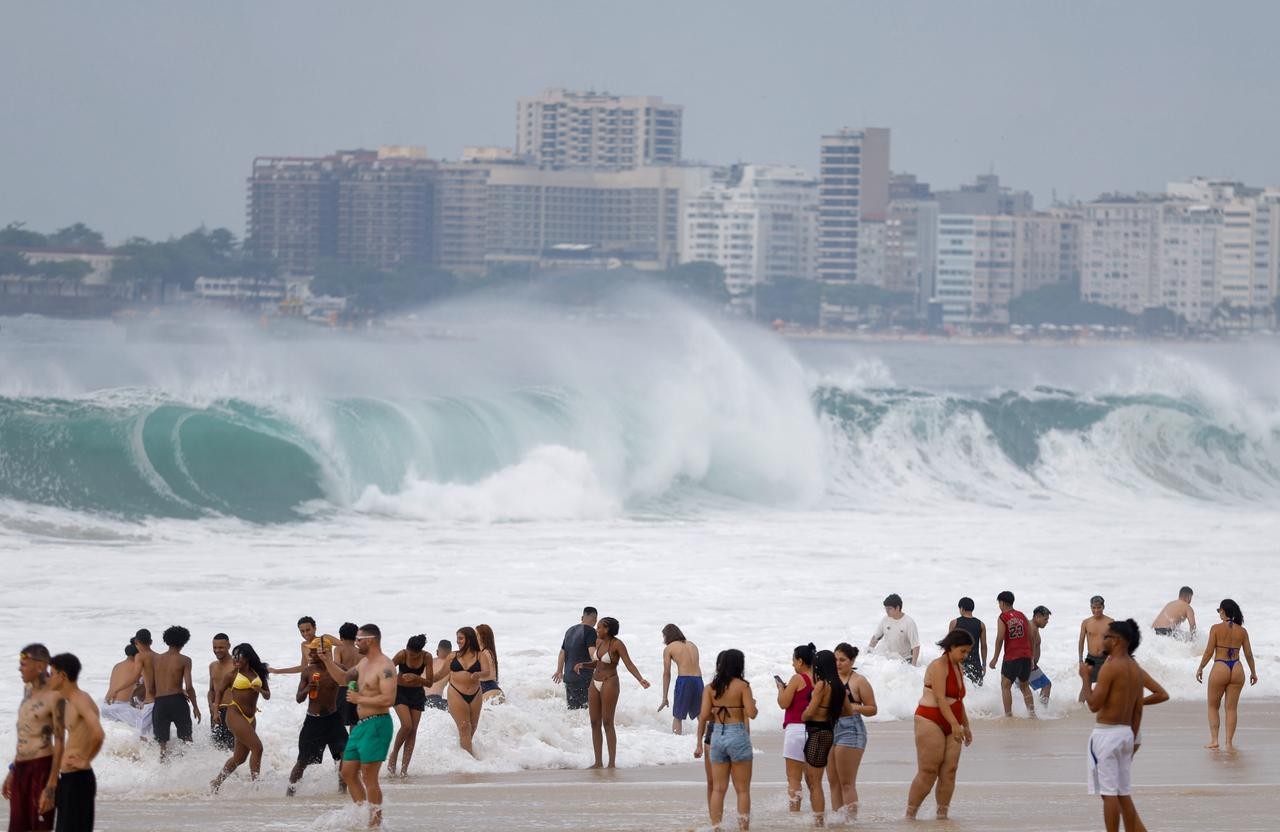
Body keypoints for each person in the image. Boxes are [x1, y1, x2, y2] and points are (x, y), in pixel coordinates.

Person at [321, 623, 396, 828]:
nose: (356, 643)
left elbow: (389, 699)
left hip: (378, 724)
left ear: (370, 640)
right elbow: (342, 679)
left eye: (359, 639)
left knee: (369, 775)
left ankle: (375, 823)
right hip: (361, 725)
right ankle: (363, 812)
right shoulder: (363, 664)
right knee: (347, 771)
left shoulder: (385, 666)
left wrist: (359, 698)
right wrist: (327, 661)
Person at [1079, 619, 1146, 832]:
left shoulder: (1110, 668)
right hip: (1126, 734)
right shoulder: (1135, 669)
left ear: (1117, 641)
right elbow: (1137, 709)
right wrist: (1133, 736)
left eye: (1106, 636)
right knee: (1122, 792)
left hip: (1106, 734)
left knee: (1108, 795)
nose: (1102, 639)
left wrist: (1085, 678)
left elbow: (1094, 705)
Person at [907, 629, 973, 820]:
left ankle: (942, 815)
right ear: (951, 647)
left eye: (968, 652)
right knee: (928, 771)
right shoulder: (938, 666)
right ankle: (910, 815)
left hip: (953, 720)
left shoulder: (959, 667)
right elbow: (940, 698)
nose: (965, 656)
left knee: (950, 771)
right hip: (930, 719)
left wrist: (966, 726)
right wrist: (954, 723)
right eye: (963, 651)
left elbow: (959, 700)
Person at [573, 617, 650, 768]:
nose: (597, 630)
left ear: (607, 629)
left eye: (599, 627)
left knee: (607, 722)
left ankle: (611, 763)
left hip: (610, 681)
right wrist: (583, 665)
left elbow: (628, 663)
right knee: (594, 722)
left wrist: (640, 679)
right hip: (594, 682)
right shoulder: (598, 642)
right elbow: (597, 663)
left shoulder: (617, 644)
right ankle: (598, 762)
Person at [693, 649, 757, 832]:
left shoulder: (710, 688)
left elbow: (704, 715)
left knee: (718, 788)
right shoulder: (743, 686)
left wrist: (717, 716)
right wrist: (753, 705)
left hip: (717, 736)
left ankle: (716, 828)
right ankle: (743, 828)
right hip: (737, 733)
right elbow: (751, 714)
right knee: (742, 789)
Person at [4, 645, 60, 832]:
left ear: (40, 666)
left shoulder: (55, 696)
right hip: (21, 769)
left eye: (24, 664)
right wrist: (13, 770)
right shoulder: (27, 690)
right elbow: (26, 733)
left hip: (42, 769)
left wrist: (51, 786)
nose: (20, 669)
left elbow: (60, 741)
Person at [48, 653, 104, 832]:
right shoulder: (68, 702)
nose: (48, 678)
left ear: (62, 676)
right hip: (68, 779)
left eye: (51, 673)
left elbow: (98, 733)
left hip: (79, 780)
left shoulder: (81, 700)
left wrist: (86, 759)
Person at [1195, 599, 1258, 751]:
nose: (1219, 613)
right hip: (1237, 667)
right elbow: (1249, 654)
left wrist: (1200, 668)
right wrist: (1253, 672)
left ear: (1223, 611)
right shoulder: (1242, 631)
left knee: (1212, 706)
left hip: (1220, 666)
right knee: (1231, 709)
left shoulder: (1215, 628)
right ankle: (1229, 743)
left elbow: (1209, 652)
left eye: (1219, 610)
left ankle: (1215, 740)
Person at [287, 644, 347, 796]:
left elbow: (354, 682)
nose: (310, 655)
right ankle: (290, 794)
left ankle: (342, 792)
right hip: (314, 721)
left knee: (345, 755)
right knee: (302, 761)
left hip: (334, 720)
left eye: (314, 652)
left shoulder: (338, 669)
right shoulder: (308, 672)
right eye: (310, 652)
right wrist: (308, 689)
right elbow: (298, 699)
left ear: (324, 652)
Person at [210, 643, 271, 790]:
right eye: (234, 656)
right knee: (258, 748)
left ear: (248, 657)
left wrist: (261, 690)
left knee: (239, 758)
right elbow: (219, 692)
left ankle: (216, 783)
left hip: (251, 717)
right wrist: (215, 710)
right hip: (234, 713)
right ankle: (256, 786)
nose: (235, 659)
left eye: (239, 656)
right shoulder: (232, 675)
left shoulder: (259, 673)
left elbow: (267, 695)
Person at [828, 643, 876, 822]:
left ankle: (851, 821)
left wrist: (855, 707)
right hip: (831, 728)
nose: (838, 663)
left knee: (846, 782)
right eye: (835, 660)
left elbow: (872, 708)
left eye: (842, 660)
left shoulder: (859, 681)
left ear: (852, 660)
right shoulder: (829, 678)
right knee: (833, 781)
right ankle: (837, 819)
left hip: (851, 730)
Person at [800, 650, 845, 828]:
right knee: (811, 779)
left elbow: (809, 712)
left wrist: (803, 715)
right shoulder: (838, 685)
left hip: (817, 732)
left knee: (815, 781)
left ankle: (819, 821)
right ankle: (818, 817)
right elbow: (847, 711)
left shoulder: (822, 686)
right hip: (826, 731)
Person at [775, 643, 815, 813]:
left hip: (796, 731)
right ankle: (817, 813)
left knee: (793, 778)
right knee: (813, 780)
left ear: (800, 661)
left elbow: (784, 703)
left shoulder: (797, 678)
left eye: (793, 660)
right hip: (815, 730)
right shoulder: (819, 679)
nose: (792, 664)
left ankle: (795, 815)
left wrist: (780, 689)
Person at [151, 625, 201, 759]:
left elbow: (150, 686)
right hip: (177, 701)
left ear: (166, 640)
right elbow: (189, 686)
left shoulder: (155, 659)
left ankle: (163, 773)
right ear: (184, 641)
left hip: (160, 702)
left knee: (162, 745)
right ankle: (189, 767)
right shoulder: (185, 660)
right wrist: (195, 707)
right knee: (187, 739)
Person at [435, 627, 485, 756]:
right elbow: (440, 674)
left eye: (461, 638)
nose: (458, 641)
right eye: (457, 638)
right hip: (456, 693)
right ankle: (469, 763)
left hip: (475, 694)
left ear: (470, 639)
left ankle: (464, 756)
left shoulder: (480, 655)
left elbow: (488, 672)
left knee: (471, 729)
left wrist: (479, 674)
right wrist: (421, 680)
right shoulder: (453, 656)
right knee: (464, 727)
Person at [388, 635, 431, 776]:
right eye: (409, 652)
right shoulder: (402, 654)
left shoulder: (426, 657)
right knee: (407, 725)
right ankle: (394, 754)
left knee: (413, 730)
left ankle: (404, 770)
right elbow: (386, 670)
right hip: (400, 692)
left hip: (417, 694)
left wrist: (416, 677)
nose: (411, 655)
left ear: (420, 651)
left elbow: (430, 682)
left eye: (413, 654)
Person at [989, 591, 1035, 717]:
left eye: (999, 603)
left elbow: (1000, 638)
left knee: (1005, 686)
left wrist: (995, 658)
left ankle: (1008, 715)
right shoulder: (1022, 615)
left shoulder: (1003, 617)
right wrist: (1031, 657)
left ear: (1002, 603)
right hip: (1026, 655)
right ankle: (1032, 714)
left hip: (1012, 656)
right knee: (1025, 686)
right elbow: (1031, 637)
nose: (999, 606)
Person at [658, 623, 703, 735]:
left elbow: (666, 674)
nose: (664, 639)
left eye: (664, 636)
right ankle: (707, 742)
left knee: (678, 717)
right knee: (701, 715)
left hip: (685, 680)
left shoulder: (669, 648)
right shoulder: (692, 645)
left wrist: (665, 697)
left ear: (667, 636)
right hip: (698, 680)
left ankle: (676, 743)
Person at [553, 606, 598, 710]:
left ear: (582, 617)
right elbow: (592, 653)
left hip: (568, 677)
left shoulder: (570, 630)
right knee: (587, 710)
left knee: (573, 711)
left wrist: (559, 670)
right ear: (595, 619)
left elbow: (562, 652)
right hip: (583, 677)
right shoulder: (591, 631)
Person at [868, 594, 920, 665]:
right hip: (889, 660)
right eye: (885, 608)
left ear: (897, 608)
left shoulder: (909, 622)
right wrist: (868, 655)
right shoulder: (885, 620)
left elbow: (916, 646)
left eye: (889, 608)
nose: (887, 611)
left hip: (905, 660)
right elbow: (875, 638)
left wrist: (913, 666)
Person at [1078, 596, 1113, 702]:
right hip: (1091, 658)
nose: (1096, 610)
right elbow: (1081, 642)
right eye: (1093, 608)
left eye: (1099, 607)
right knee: (1086, 684)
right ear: (1090, 607)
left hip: (1105, 658)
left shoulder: (1110, 622)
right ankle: (1080, 708)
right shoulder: (1086, 622)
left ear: (1103, 607)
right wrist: (1080, 660)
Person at [101, 644, 142, 733]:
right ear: (138, 654)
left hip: (106, 706)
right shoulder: (137, 667)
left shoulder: (117, 666)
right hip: (121, 708)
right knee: (148, 727)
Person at [947, 598, 987, 685]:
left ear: (962, 608)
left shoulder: (954, 623)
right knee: (977, 693)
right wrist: (984, 665)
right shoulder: (981, 624)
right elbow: (983, 647)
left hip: (958, 663)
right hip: (975, 664)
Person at [207, 633, 235, 750]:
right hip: (216, 713)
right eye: (215, 647)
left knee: (234, 749)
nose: (217, 650)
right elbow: (211, 690)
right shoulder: (212, 666)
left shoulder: (236, 665)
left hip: (233, 712)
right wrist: (212, 708)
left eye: (221, 647)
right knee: (217, 749)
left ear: (229, 646)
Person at [131, 629, 156, 740]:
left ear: (136, 641)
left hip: (150, 702)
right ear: (151, 642)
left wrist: (115, 690)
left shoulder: (140, 657)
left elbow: (135, 677)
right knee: (158, 735)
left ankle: (143, 757)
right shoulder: (160, 657)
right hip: (162, 701)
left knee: (142, 736)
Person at [334, 623, 360, 727]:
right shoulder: (361, 652)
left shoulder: (339, 649)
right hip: (356, 689)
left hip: (342, 688)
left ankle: (339, 743)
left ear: (341, 637)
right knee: (355, 722)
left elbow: (337, 666)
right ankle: (352, 743)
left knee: (337, 722)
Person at [1028, 606, 1053, 704]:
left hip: (1030, 664)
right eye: (1045, 619)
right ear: (1037, 617)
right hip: (1028, 664)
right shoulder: (1032, 628)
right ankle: (1042, 710)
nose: (1047, 622)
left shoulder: (1034, 627)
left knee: (1020, 689)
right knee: (1046, 685)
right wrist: (1030, 661)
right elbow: (1028, 646)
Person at [476, 624, 503, 703]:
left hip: (489, 691)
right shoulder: (488, 652)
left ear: (482, 637)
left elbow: (488, 675)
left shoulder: (485, 653)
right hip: (494, 691)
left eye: (476, 635)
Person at [424, 640, 451, 711]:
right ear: (450, 654)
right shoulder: (450, 666)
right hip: (435, 700)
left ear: (437, 651)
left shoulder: (427, 662)